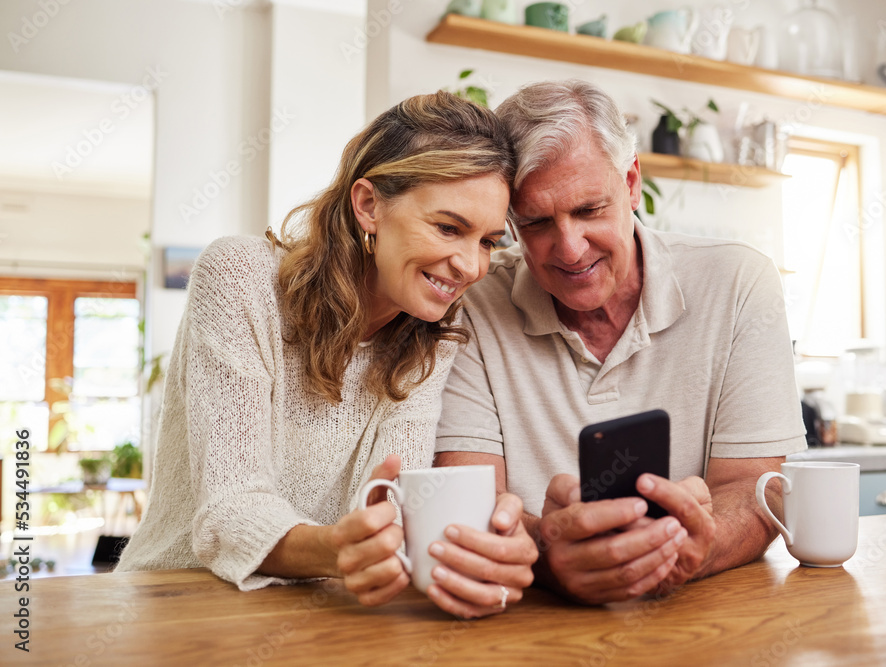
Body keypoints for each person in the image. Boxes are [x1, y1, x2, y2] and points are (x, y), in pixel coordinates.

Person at [117, 92, 538, 618]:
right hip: (180, 603)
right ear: (369, 205)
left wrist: (495, 542)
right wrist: (339, 548)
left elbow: (392, 502)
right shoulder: (240, 278)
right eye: (449, 228)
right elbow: (229, 511)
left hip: (321, 613)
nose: (470, 266)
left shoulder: (433, 329)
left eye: (488, 241)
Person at [434, 80, 806, 605]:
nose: (569, 249)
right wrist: (549, 550)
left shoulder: (740, 282)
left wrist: (692, 543)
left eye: (588, 210)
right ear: (510, 221)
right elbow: (471, 500)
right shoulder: (472, 301)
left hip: (709, 620)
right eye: (537, 222)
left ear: (631, 183)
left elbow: (757, 486)